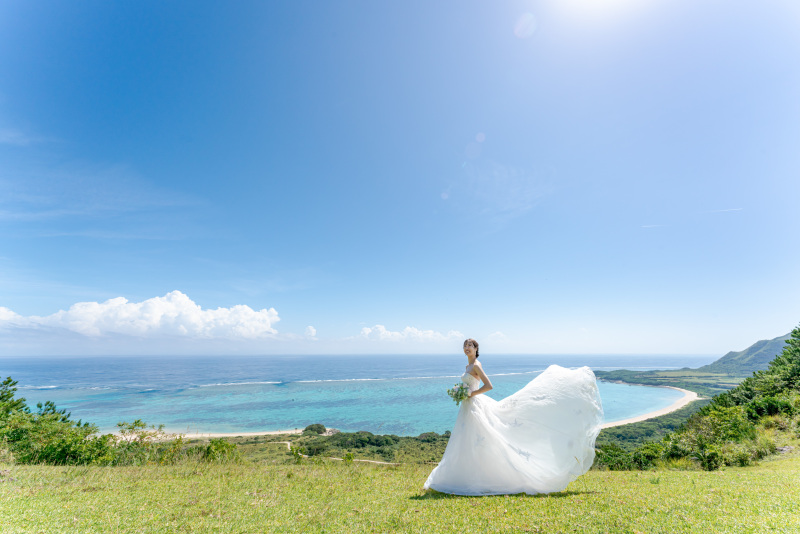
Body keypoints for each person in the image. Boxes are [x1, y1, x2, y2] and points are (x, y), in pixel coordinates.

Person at [423, 338, 603, 496]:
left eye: (470, 345)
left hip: (474, 404)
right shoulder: (467, 367)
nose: (467, 348)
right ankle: (464, 477)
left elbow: (489, 386)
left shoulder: (477, 365)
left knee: (483, 438)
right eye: (465, 345)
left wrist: (472, 394)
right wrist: (462, 393)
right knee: (467, 441)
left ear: (476, 349)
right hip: (466, 408)